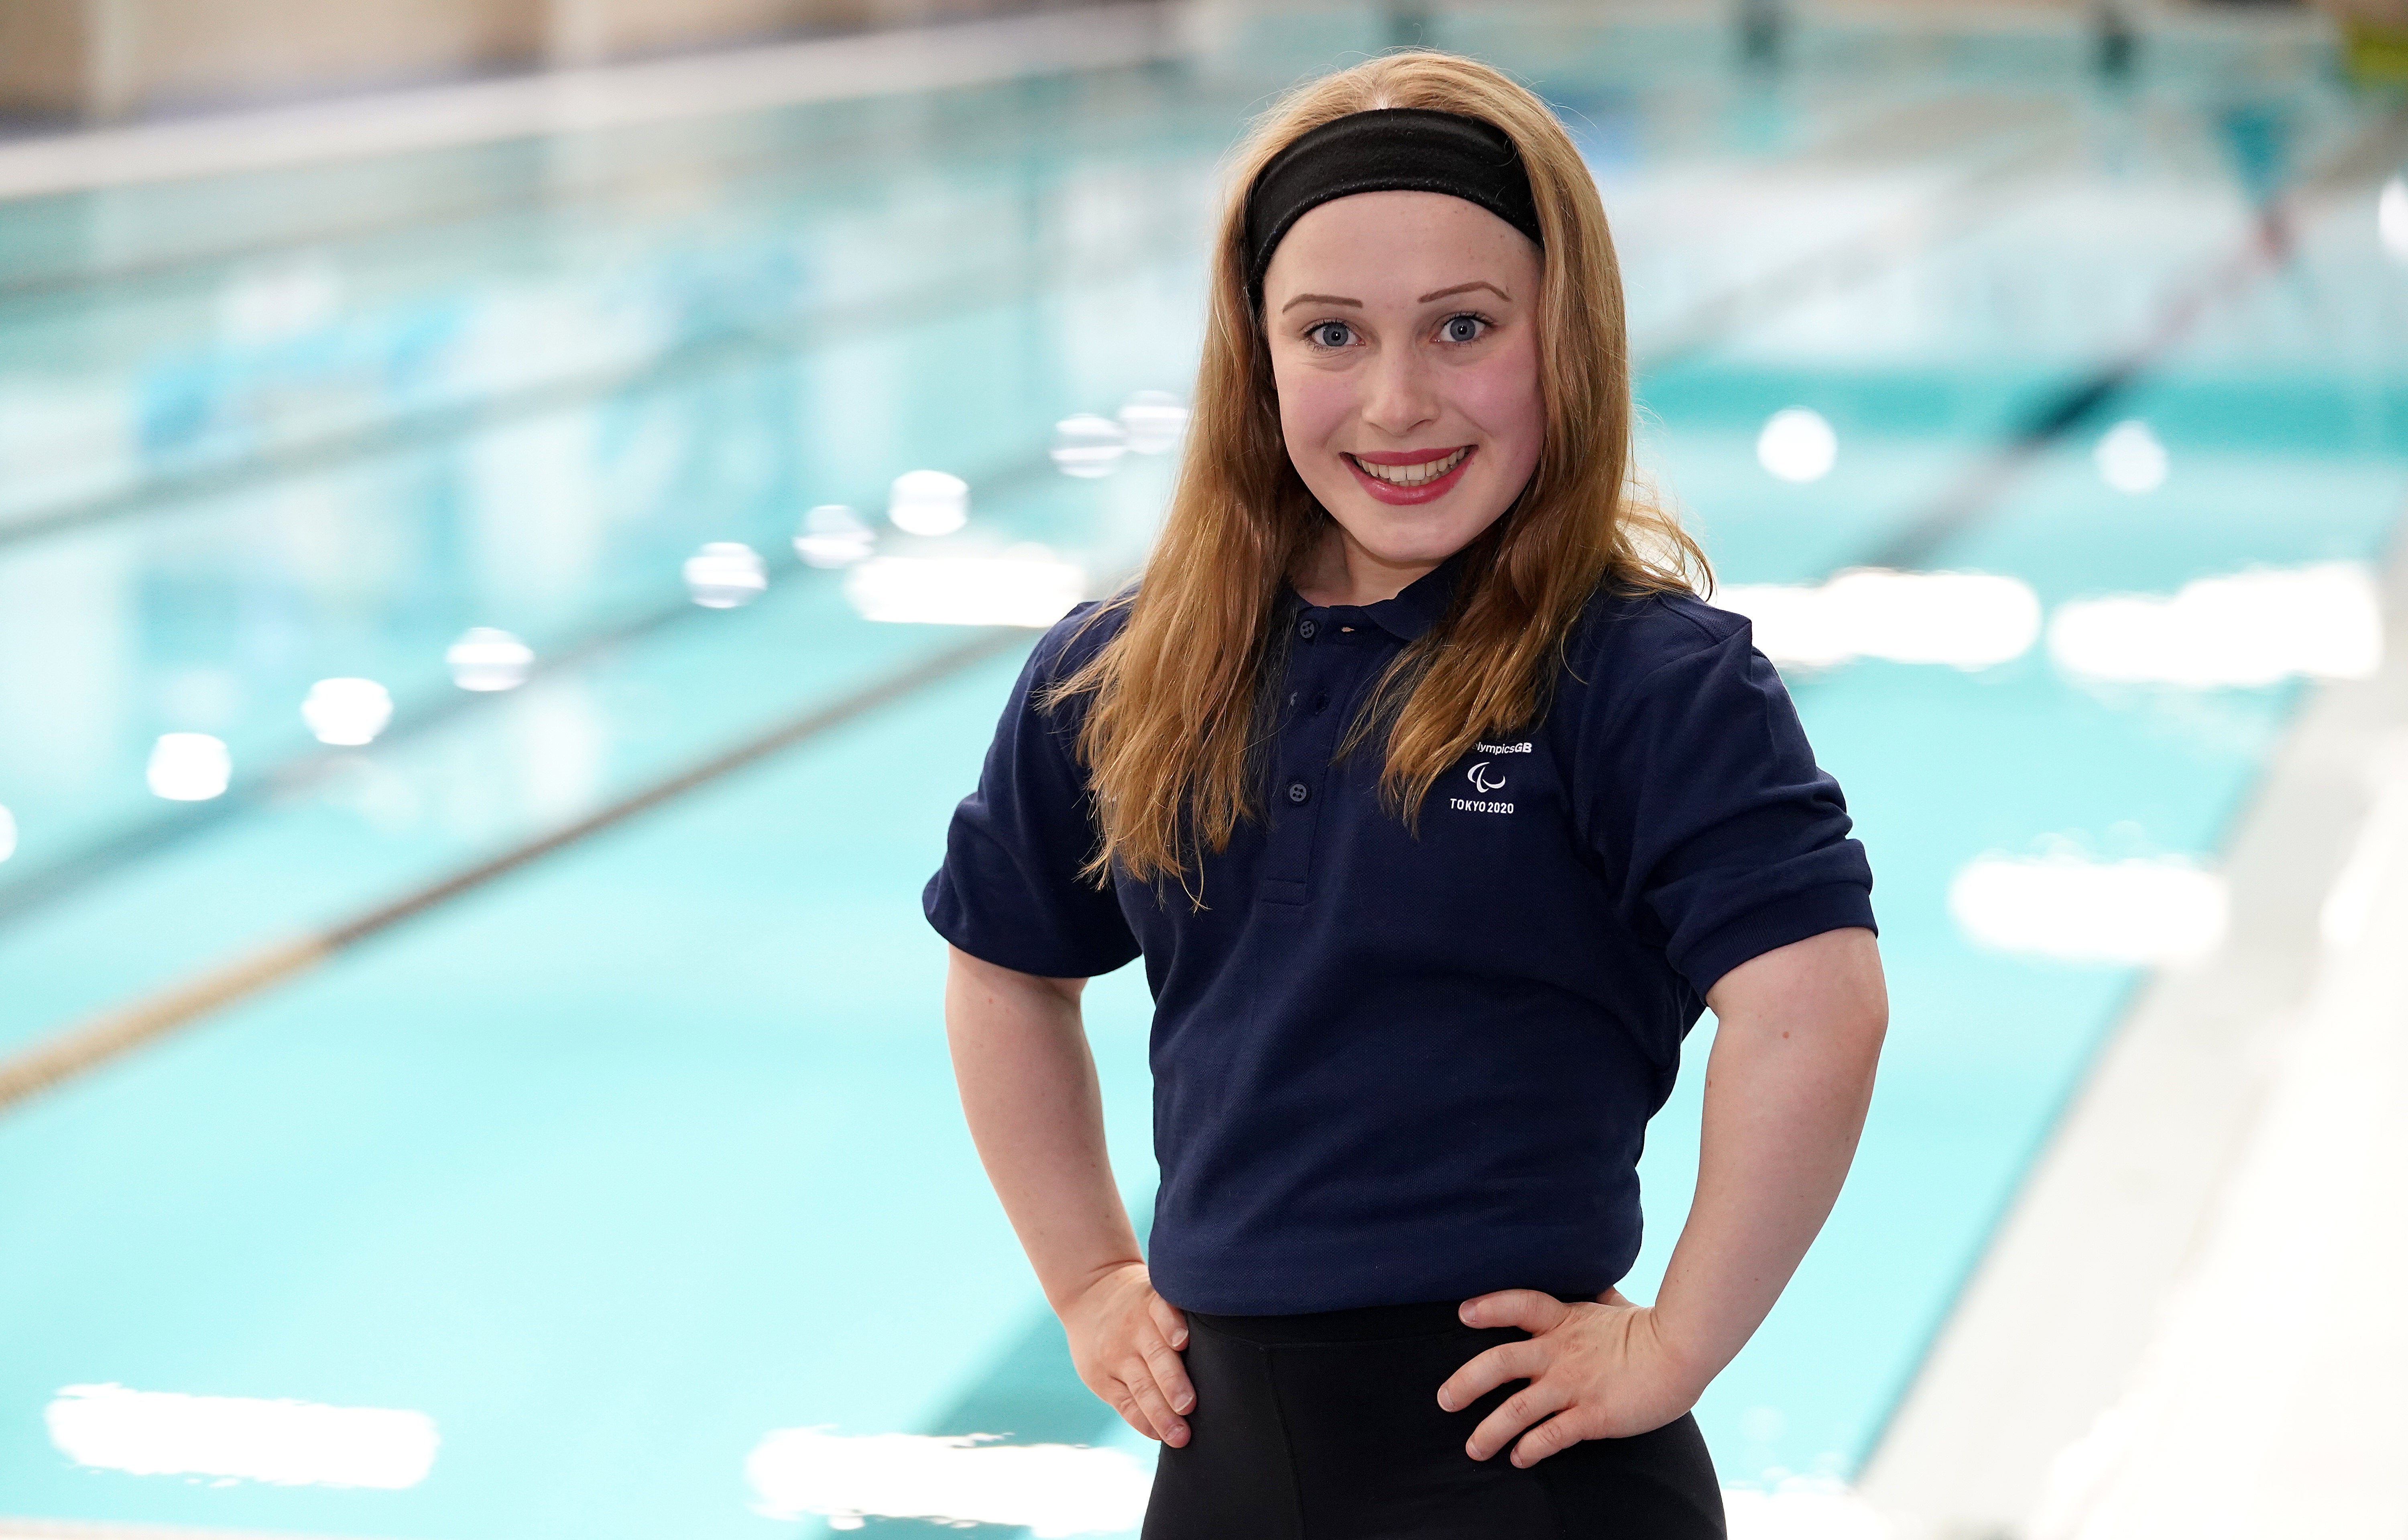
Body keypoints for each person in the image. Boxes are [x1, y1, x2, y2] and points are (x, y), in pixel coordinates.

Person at [925, 50, 1886, 1539]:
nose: (1397, 400)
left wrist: (1680, 1342)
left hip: (1527, 1460)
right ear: (1254, 355)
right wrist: (1091, 1278)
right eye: (1331, 333)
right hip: (1230, 1456)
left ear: (1566, 340)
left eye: (1463, 327)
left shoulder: (1643, 678)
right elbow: (1004, 966)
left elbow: (1814, 1004)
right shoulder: (1125, 671)